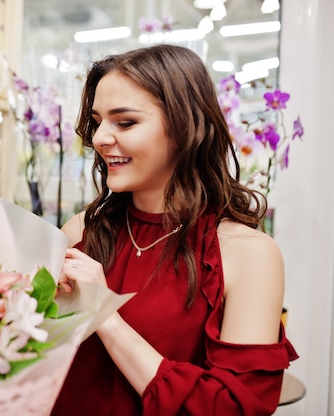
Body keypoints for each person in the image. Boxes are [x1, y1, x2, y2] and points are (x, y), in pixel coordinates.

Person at [52, 44, 298, 415]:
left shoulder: (249, 254)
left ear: (186, 126)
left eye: (125, 122)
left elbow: (231, 408)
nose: (100, 137)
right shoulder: (81, 232)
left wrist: (104, 315)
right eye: (98, 120)